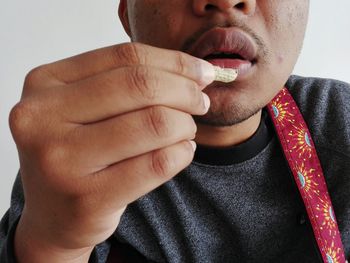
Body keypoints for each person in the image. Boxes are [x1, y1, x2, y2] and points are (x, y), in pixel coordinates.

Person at [0, 0, 349, 262]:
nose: (225, 1)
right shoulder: (76, 159)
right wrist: (52, 244)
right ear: (127, 14)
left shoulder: (341, 120)